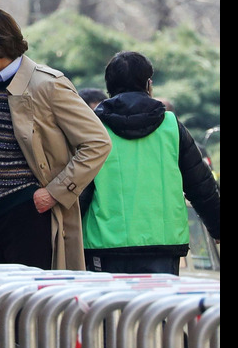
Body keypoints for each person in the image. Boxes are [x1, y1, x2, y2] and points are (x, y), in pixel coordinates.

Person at [0, 6, 111, 270]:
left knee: (27, 307)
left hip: (28, 213)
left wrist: (54, 192)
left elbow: (97, 142)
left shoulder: (47, 84)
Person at [82, 51, 220, 275]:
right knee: (155, 309)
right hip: (162, 244)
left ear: (109, 88)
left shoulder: (92, 128)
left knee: (106, 309)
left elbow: (80, 187)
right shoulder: (171, 126)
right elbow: (200, 183)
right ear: (149, 84)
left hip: (105, 244)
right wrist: (216, 226)